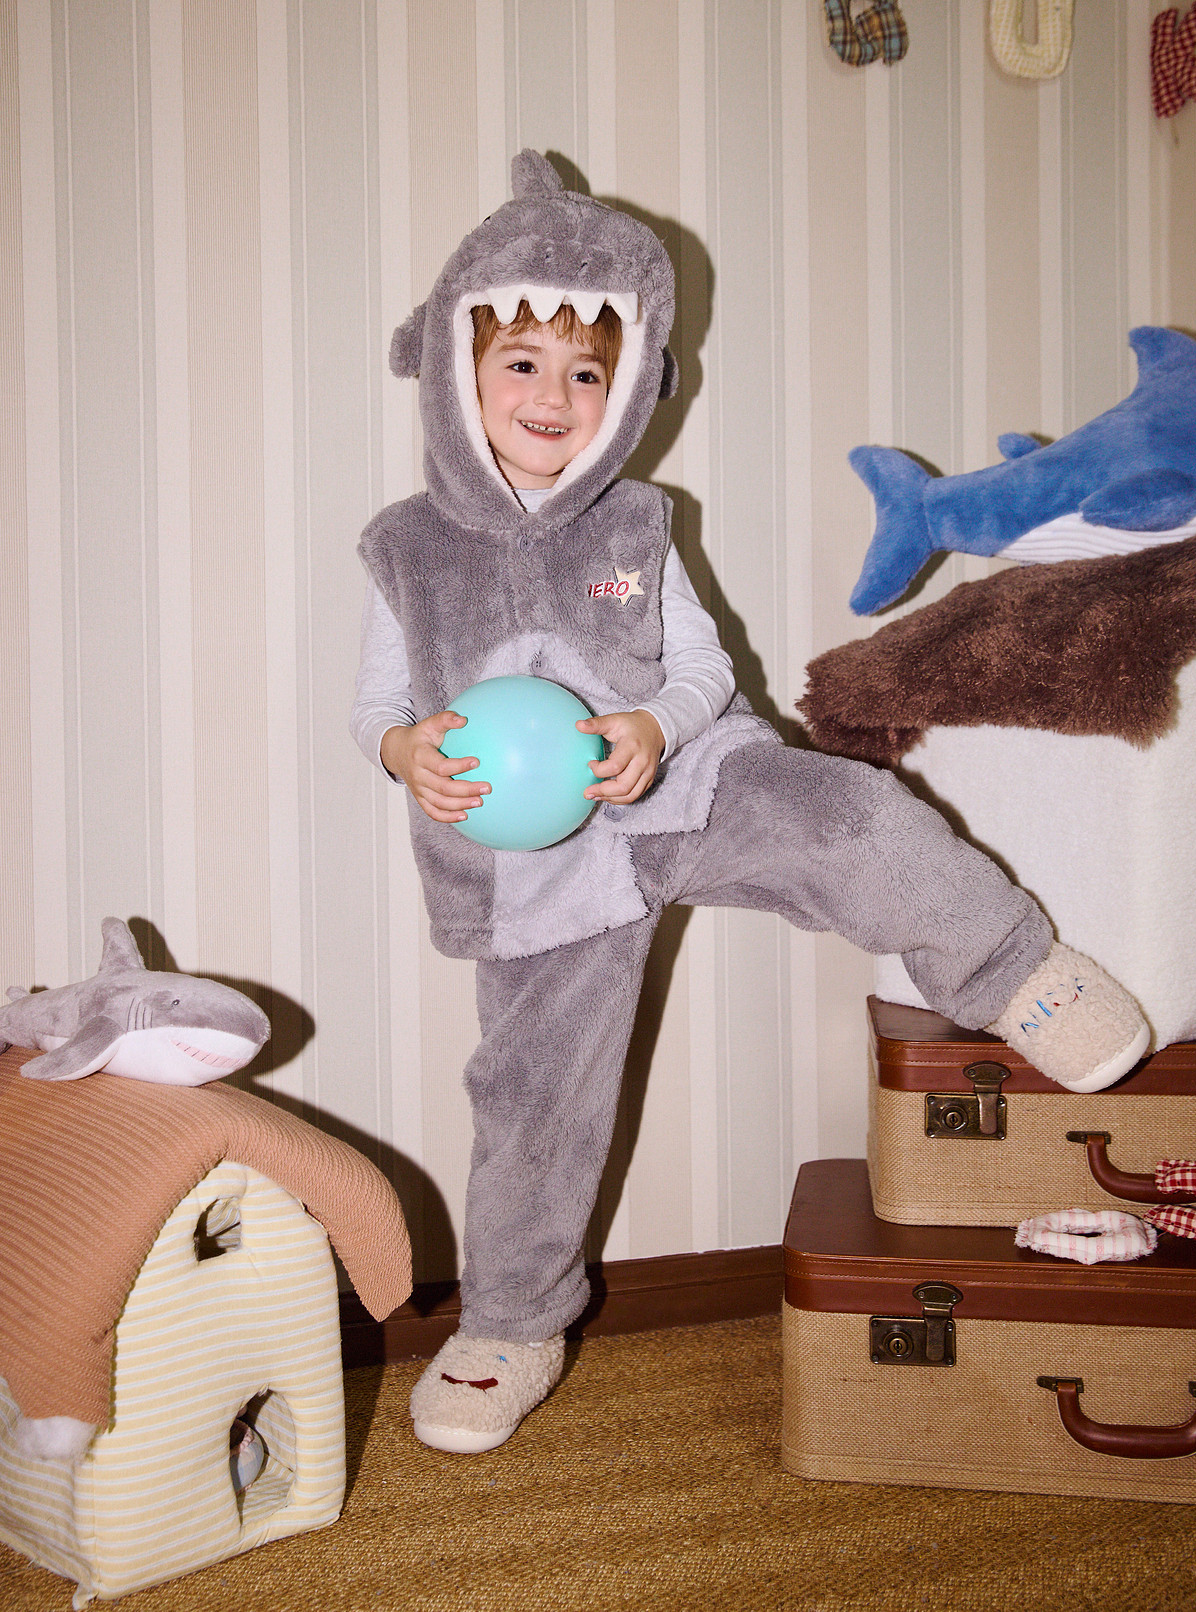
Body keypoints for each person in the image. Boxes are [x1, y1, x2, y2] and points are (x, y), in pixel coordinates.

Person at [351, 151, 1149, 1456]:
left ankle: (1014, 968)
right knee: (536, 1098)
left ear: (634, 389)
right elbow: (375, 704)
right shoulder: (405, 547)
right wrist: (403, 752)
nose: (554, 396)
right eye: (523, 363)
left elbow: (708, 669)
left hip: (681, 785)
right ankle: (509, 1323)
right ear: (450, 366)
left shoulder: (637, 526)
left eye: (589, 372)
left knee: (851, 817)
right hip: (532, 867)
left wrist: (655, 727)